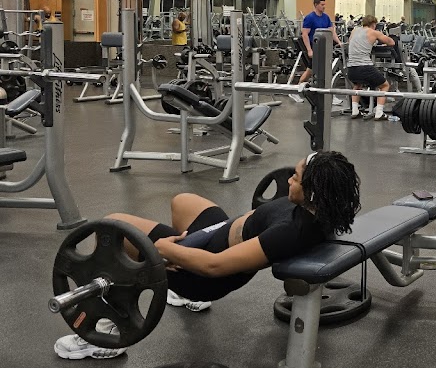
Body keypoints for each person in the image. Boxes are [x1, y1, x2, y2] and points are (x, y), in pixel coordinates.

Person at [54, 151, 361, 360]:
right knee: (183, 200)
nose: (290, 179)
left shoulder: (291, 232)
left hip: (203, 273)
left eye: (296, 177)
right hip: (217, 233)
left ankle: (106, 329)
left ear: (312, 191)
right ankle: (177, 282)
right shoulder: (318, 208)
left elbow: (214, 266)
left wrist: (163, 249)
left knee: (115, 226)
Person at [292, 0, 343, 103]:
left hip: (324, 48)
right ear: (316, 5)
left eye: (324, 5)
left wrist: (339, 42)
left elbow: (332, 32)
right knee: (310, 71)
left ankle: (328, 95)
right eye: (322, 5)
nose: (324, 7)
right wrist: (309, 50)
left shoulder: (326, 17)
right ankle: (296, 91)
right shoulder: (310, 18)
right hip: (314, 47)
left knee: (326, 71)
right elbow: (305, 34)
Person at [346, 15, 395, 120]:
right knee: (384, 85)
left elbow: (352, 43)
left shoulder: (354, 31)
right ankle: (379, 113)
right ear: (373, 24)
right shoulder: (374, 32)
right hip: (364, 68)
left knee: (357, 85)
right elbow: (391, 42)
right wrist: (379, 37)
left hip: (351, 69)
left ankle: (355, 111)